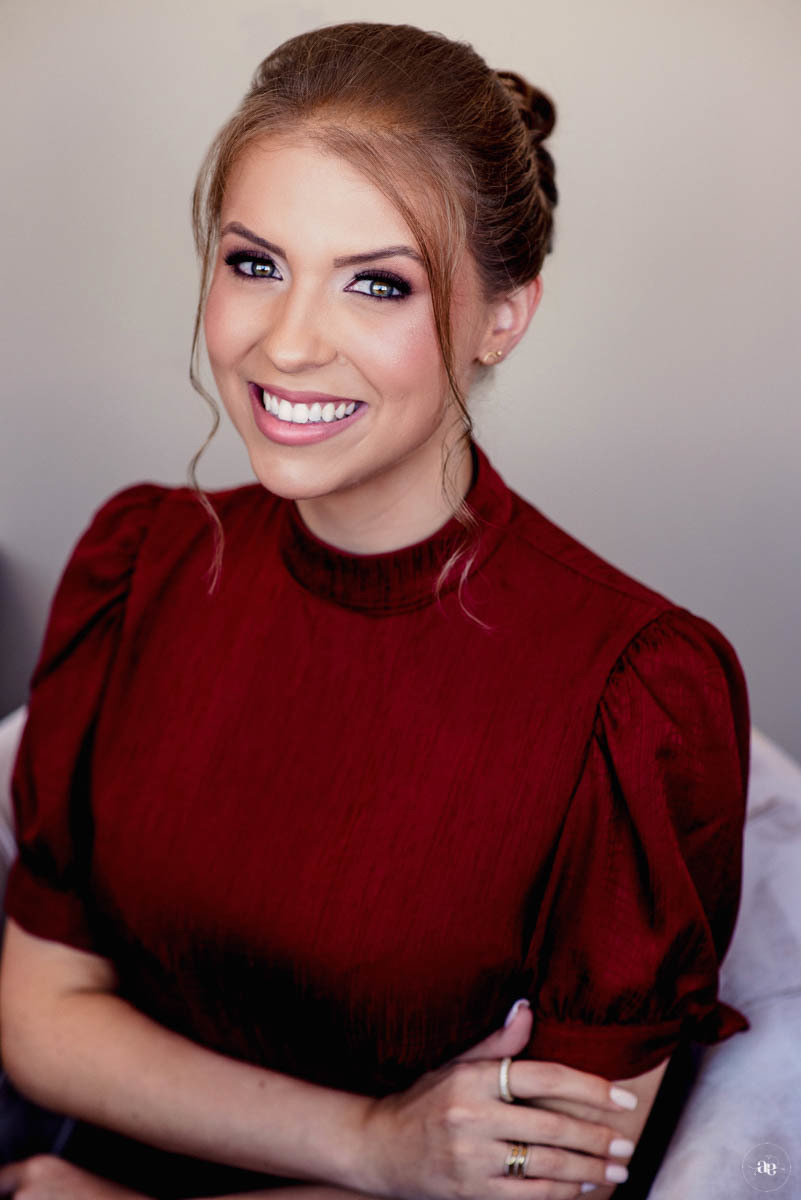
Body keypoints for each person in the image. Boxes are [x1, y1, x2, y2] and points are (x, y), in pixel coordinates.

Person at [0, 21, 750, 1200]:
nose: (288, 343)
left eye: (377, 283)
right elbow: (42, 1016)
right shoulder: (134, 564)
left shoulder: (639, 691)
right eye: (255, 264)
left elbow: (543, 1180)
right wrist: (370, 1142)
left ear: (504, 315)